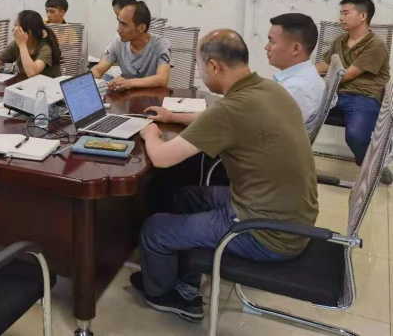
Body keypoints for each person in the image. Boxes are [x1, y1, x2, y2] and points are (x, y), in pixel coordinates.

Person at [132, 30, 318, 322]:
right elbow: (218, 118)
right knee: (184, 197)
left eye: (200, 66)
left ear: (214, 66)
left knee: (155, 230)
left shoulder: (233, 109)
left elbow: (161, 158)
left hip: (265, 232)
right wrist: (172, 117)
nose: (200, 73)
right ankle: (184, 278)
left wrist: (149, 132)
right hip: (291, 216)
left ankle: (167, 295)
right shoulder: (269, 90)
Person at [316, 0, 392, 183]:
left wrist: (318, 81)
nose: (341, 18)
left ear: (363, 16)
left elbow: (347, 75)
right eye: (341, 13)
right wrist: (301, 72)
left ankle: (372, 165)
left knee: (356, 136)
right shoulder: (340, 40)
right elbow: (325, 65)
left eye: (346, 13)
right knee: (297, 113)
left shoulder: (376, 46)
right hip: (335, 94)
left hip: (363, 97)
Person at [266, 13, 326, 133]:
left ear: (295, 49)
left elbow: (269, 132)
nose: (266, 47)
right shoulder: (307, 76)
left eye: (272, 42)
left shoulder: (295, 89)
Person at [91, 1, 171, 91]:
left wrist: (129, 82)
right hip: (126, 97)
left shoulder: (161, 44)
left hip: (152, 97)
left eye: (124, 25)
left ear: (141, 28)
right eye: (119, 23)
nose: (118, 29)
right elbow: (98, 71)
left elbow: (162, 79)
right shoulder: (117, 44)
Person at [0, 10, 62, 78]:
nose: (13, 30)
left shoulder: (45, 47)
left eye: (16, 26)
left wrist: (22, 44)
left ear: (28, 33)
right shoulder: (16, 44)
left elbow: (32, 73)